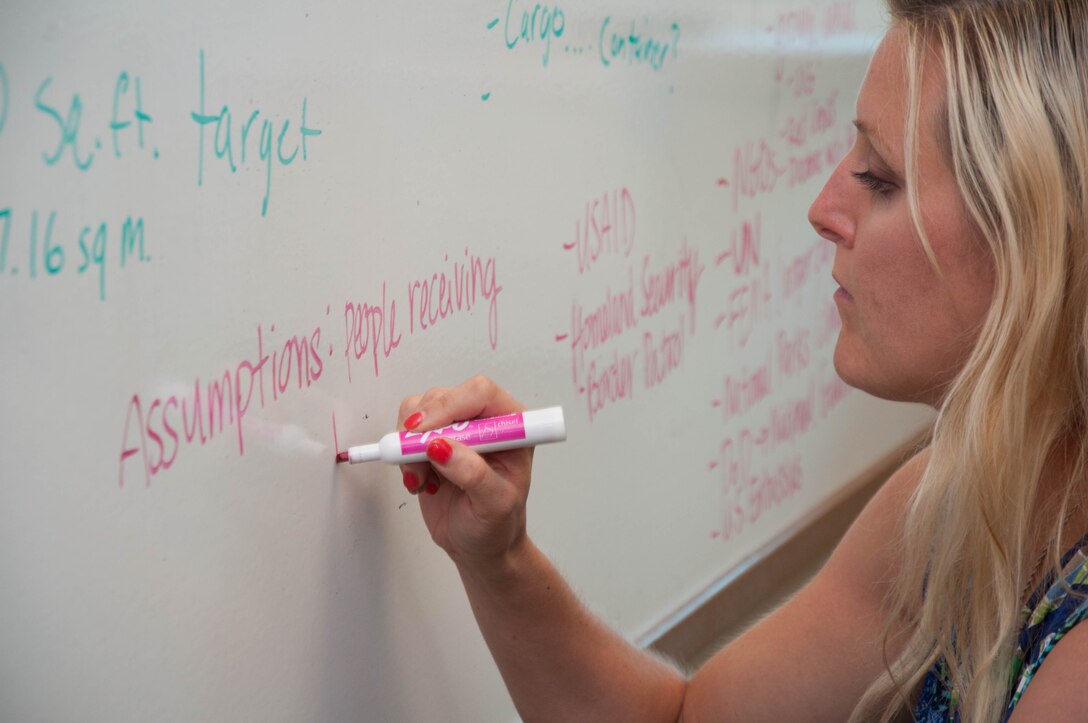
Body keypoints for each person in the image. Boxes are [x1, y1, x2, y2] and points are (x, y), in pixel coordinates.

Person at [394, 1, 1088, 720]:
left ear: (1037, 242)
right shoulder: (961, 504)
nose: (823, 209)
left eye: (879, 179)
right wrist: (499, 560)